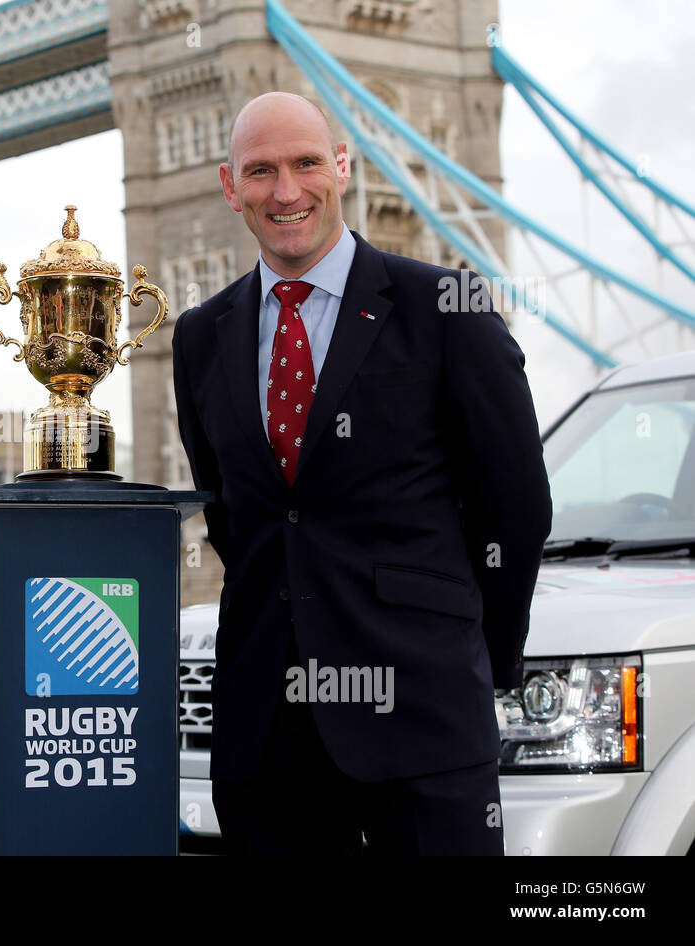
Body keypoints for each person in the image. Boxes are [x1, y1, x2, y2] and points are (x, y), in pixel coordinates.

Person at [171, 92, 552, 855]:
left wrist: (474, 658)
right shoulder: (199, 336)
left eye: (307, 163)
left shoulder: (448, 307)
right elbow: (237, 523)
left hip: (426, 725)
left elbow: (515, 509)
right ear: (229, 185)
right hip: (265, 741)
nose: (286, 192)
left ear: (341, 166)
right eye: (261, 171)